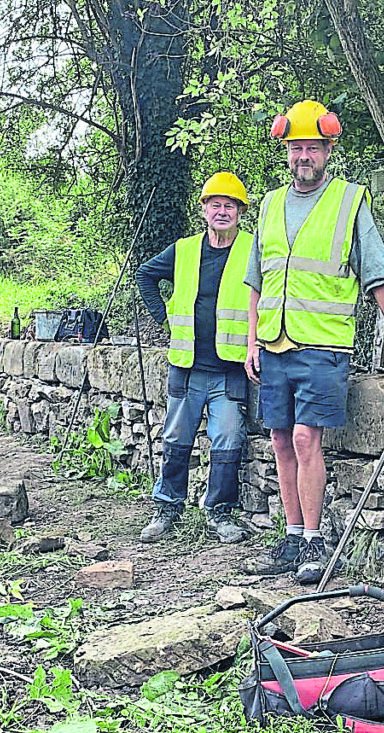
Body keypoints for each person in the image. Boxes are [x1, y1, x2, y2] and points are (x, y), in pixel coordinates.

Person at [242, 99, 384, 585]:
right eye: (296, 147)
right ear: (287, 151)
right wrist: (251, 342)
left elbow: (378, 274)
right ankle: (291, 535)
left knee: (306, 438)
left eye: (313, 148)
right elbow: (256, 280)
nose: (304, 156)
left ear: (328, 150)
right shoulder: (270, 204)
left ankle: (315, 540)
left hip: (323, 346)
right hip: (274, 343)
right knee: (280, 439)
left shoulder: (349, 201)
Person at [134, 172, 254, 545]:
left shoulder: (255, 249)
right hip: (186, 366)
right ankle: (167, 507)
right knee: (176, 437)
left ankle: (220, 514)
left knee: (228, 440)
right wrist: (162, 315)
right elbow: (145, 276)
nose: (222, 211)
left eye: (229, 206)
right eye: (215, 205)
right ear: (203, 209)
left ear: (240, 212)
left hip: (232, 367)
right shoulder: (184, 250)